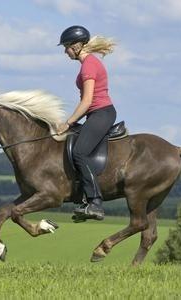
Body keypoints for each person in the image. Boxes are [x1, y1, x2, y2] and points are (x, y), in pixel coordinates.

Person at [56, 25, 117, 220]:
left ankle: (95, 202)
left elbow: (87, 101)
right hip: (95, 114)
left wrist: (68, 122)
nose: (65, 51)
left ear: (77, 46)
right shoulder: (88, 63)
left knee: (79, 152)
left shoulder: (89, 64)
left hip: (101, 113)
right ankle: (81, 197)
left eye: (66, 47)